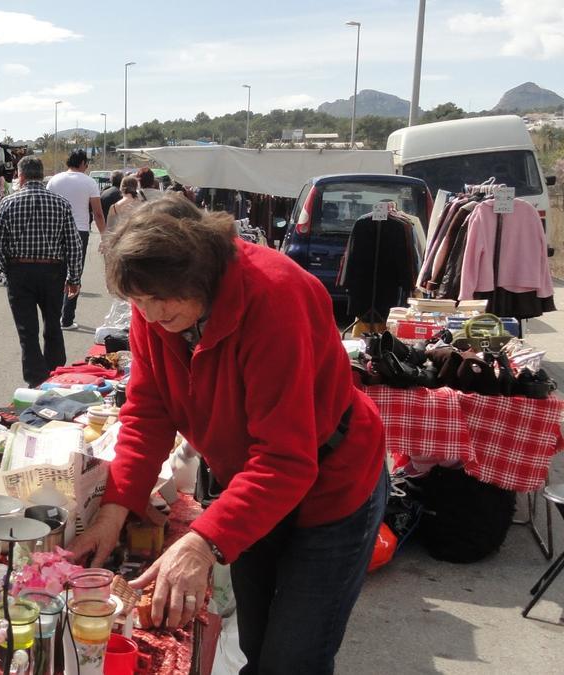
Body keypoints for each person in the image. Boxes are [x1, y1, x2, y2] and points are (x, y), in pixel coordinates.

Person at [70, 196, 388, 674]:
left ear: (203, 275)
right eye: (139, 302)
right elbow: (149, 413)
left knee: (293, 658)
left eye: (162, 301)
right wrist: (112, 513)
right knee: (258, 643)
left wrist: (202, 543)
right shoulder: (153, 294)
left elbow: (286, 459)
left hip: (331, 485)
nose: (152, 316)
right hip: (253, 485)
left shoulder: (276, 296)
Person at [0, 156, 83, 387]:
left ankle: (35, 379)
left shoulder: (7, 203)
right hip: (53, 272)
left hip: (20, 270)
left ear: (20, 176)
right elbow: (73, 244)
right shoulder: (61, 203)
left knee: (27, 330)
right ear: (42, 175)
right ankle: (55, 372)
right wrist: (74, 278)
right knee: (53, 324)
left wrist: (8, 269)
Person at [46, 149, 106, 330]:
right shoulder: (89, 182)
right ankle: (67, 319)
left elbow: (48, 206)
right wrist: (105, 236)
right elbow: (97, 213)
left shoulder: (54, 180)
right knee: (74, 274)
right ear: (82, 163)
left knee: (56, 274)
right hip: (79, 231)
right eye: (86, 164)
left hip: (55, 230)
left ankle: (52, 316)